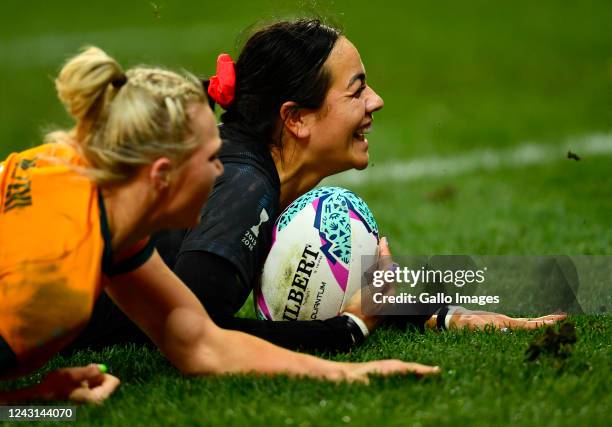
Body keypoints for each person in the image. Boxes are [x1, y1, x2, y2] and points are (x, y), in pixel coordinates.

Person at [70, 20, 566, 355]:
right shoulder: (244, 187)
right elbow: (193, 332)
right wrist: (345, 330)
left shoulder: (248, 170)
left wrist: (441, 311)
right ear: (296, 119)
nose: (377, 101)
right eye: (356, 90)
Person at [0, 46, 441, 404]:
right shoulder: (54, 285)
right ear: (160, 175)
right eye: (212, 160)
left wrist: (354, 370)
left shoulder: (102, 208)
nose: (221, 175)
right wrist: (37, 403)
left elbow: (199, 340)